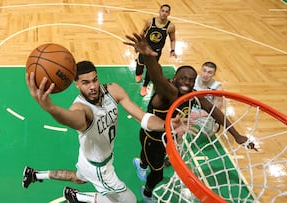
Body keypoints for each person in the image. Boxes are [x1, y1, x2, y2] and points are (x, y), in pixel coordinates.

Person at [22, 60, 186, 203]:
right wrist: (51, 108)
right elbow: (70, 118)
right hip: (98, 168)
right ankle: (80, 198)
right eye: (85, 83)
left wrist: (167, 124)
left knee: (78, 178)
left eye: (95, 80)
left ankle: (35, 174)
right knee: (128, 200)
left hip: (88, 157)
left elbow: (143, 118)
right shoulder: (81, 109)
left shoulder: (113, 91)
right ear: (76, 84)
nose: (93, 86)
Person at [124, 33, 256, 203]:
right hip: (154, 139)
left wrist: (237, 135)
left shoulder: (192, 96)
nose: (187, 82)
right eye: (183, 78)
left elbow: (215, 112)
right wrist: (149, 57)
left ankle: (141, 164)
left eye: (191, 79)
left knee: (147, 157)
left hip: (168, 135)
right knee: (157, 173)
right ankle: (147, 192)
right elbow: (158, 79)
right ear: (174, 79)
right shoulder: (169, 93)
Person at [135, 4, 177, 96]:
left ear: (169, 13)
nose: (164, 13)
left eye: (166, 12)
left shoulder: (170, 27)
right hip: (145, 49)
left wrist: (173, 50)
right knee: (139, 64)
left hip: (156, 52)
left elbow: (173, 39)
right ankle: (138, 73)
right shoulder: (150, 21)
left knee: (151, 69)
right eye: (163, 11)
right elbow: (143, 31)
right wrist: (139, 43)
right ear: (159, 11)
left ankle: (145, 85)